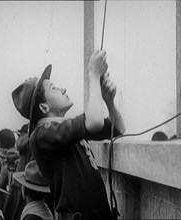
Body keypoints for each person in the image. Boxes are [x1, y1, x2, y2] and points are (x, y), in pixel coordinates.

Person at [12, 50, 125, 220]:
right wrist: (93, 74)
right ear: (44, 108)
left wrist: (109, 101)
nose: (62, 89)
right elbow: (94, 123)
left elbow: (118, 129)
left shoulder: (63, 130)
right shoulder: (41, 135)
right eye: (54, 88)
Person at [2, 124, 32, 220]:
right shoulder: (31, 141)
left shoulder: (29, 140)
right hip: (22, 185)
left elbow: (20, 143)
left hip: (21, 186)